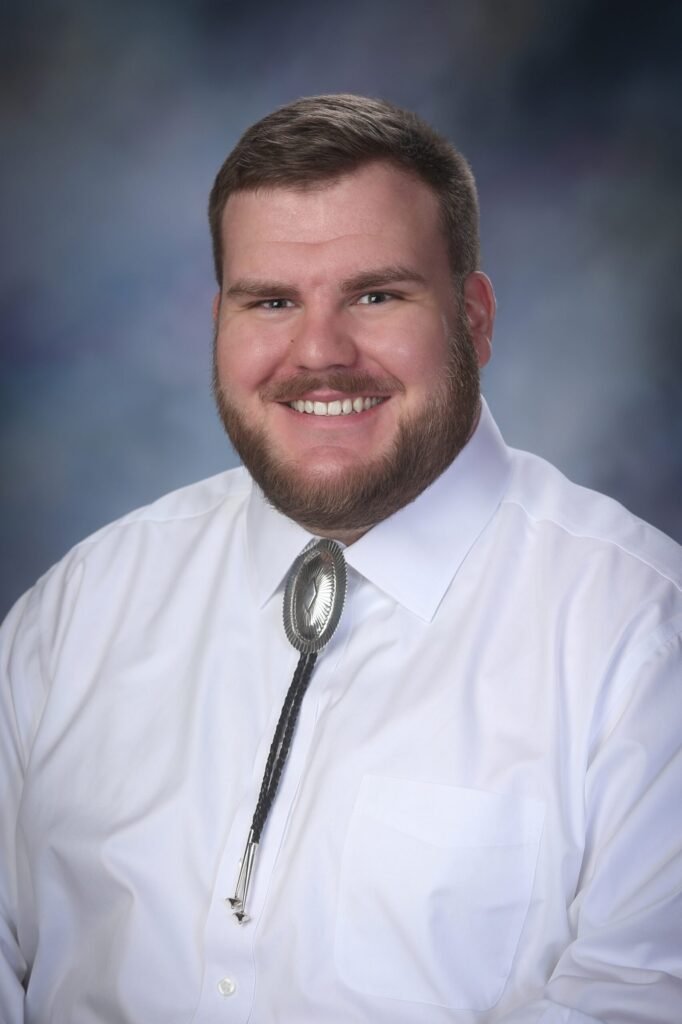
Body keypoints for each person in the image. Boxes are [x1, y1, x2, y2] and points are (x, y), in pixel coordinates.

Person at [0, 94, 680, 1023]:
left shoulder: (640, 636)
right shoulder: (80, 609)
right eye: (271, 301)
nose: (318, 353)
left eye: (376, 295)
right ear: (219, 323)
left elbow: (642, 1000)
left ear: (474, 319)